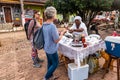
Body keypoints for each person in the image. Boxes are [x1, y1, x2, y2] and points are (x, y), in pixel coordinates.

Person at [43, 6, 66, 80]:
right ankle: (46, 77)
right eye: (55, 14)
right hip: (52, 49)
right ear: (53, 15)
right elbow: (56, 40)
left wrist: (58, 32)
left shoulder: (44, 24)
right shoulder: (52, 26)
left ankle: (50, 76)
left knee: (50, 62)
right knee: (55, 64)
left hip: (47, 47)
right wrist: (62, 33)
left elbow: (49, 35)